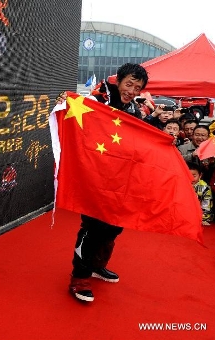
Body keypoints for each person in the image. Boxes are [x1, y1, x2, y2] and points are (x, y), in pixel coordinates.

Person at [57, 63, 149, 302]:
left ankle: (98, 265)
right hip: (95, 178)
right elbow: (74, 114)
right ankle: (79, 277)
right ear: (118, 80)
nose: (132, 90)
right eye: (129, 84)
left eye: (137, 87)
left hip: (120, 180)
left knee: (114, 226)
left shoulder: (133, 110)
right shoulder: (98, 101)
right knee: (93, 228)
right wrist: (65, 101)